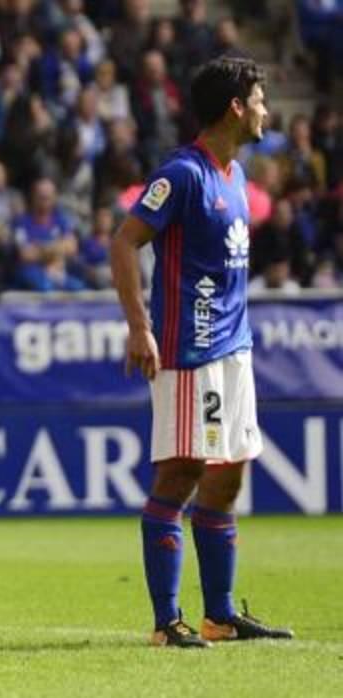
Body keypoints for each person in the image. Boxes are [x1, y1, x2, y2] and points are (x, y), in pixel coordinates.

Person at [111, 56, 295, 649]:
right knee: (182, 473)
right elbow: (124, 240)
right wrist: (138, 327)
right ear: (236, 107)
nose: (268, 109)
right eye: (261, 99)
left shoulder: (235, 176)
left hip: (234, 350)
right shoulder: (183, 173)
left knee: (226, 479)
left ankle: (219, 614)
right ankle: (167, 622)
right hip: (189, 351)